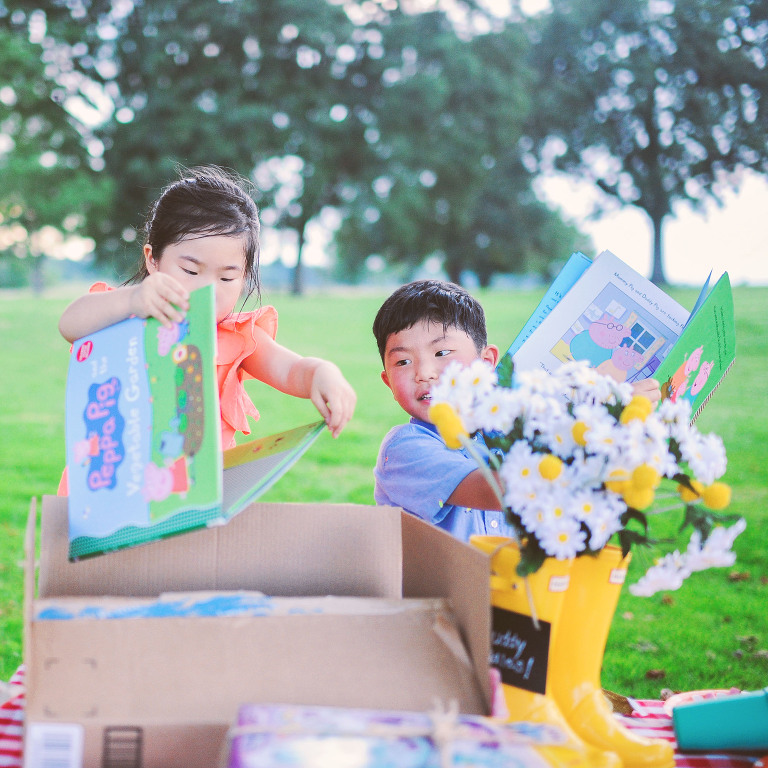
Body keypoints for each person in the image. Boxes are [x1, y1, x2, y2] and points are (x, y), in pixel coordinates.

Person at [58, 166, 356, 493]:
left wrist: (321, 374)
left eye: (227, 277)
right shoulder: (123, 314)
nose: (207, 291)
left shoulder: (235, 338)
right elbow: (70, 324)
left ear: (244, 278)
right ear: (153, 260)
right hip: (110, 489)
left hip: (191, 499)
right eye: (190, 270)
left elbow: (292, 370)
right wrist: (132, 299)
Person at [372, 279, 660, 543]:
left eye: (442, 353)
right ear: (387, 380)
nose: (424, 373)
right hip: (440, 598)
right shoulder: (404, 449)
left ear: (486, 363)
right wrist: (600, 425)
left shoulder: (513, 426)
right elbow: (493, 491)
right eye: (403, 362)